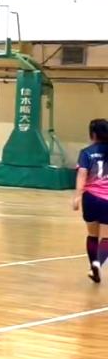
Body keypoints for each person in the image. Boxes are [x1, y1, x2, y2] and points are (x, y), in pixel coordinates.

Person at [72, 118, 108, 283]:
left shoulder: (86, 152)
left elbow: (82, 174)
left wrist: (77, 196)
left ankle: (94, 267)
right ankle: (97, 263)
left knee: (92, 235)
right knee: (106, 238)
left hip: (91, 198)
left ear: (93, 134)